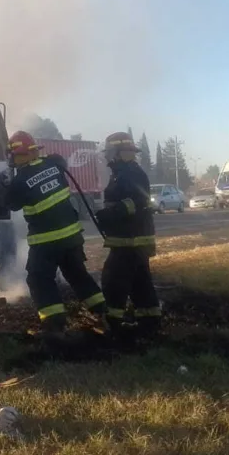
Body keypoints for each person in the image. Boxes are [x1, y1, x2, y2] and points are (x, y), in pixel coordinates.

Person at [4, 131, 106, 350]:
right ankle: (104, 314)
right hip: (72, 237)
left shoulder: (20, 180)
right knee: (78, 276)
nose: (13, 161)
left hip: (46, 243)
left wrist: (7, 183)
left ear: (21, 155)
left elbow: (11, 204)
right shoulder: (55, 167)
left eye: (15, 156)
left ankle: (55, 326)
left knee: (39, 280)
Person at [93, 131, 161, 332]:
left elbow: (137, 203)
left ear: (117, 152)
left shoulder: (131, 173)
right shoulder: (123, 172)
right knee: (141, 282)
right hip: (133, 239)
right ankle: (149, 321)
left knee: (113, 280)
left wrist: (111, 213)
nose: (106, 157)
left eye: (109, 153)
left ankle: (113, 322)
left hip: (130, 240)